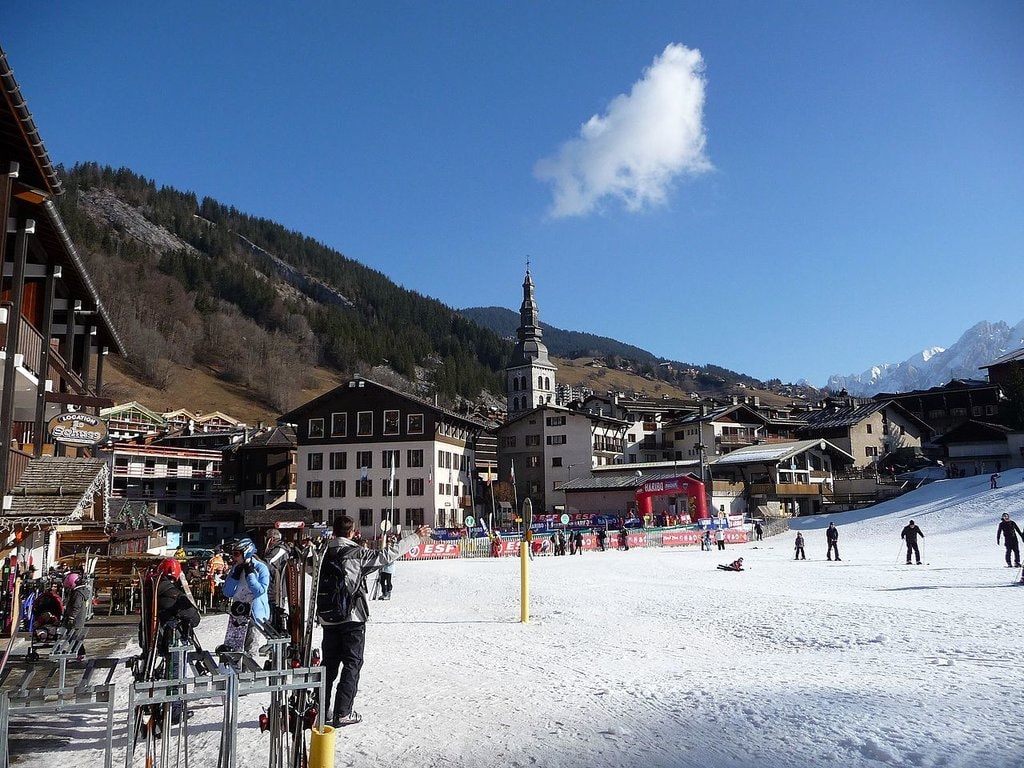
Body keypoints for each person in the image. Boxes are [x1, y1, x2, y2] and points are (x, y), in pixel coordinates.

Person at [318, 515, 431, 728]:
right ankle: (343, 712)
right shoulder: (357, 553)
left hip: (328, 617)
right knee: (352, 663)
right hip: (352, 618)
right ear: (352, 532)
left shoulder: (323, 553)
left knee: (328, 665)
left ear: (334, 532)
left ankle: (321, 710)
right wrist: (414, 537)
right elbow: (385, 555)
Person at [222, 537, 271, 654]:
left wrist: (250, 575)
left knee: (250, 650)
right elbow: (227, 592)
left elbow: (260, 591)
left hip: (255, 615)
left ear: (246, 553)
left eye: (236, 554)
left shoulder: (261, 568)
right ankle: (236, 672)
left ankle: (249, 671)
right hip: (239, 613)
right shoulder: (235, 568)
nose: (233, 557)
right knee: (235, 650)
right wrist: (234, 576)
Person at [264, 529, 291, 632]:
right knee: (272, 616)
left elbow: (267, 563)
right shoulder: (276, 549)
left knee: (275, 616)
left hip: (277, 589)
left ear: (272, 539)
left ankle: (276, 643)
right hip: (273, 587)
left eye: (267, 539)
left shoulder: (279, 549)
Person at [61, 571, 92, 660]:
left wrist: (71, 616)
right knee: (73, 637)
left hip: (76, 619)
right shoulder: (79, 592)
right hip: (78, 619)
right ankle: (77, 653)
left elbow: (76, 606)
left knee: (74, 637)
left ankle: (80, 654)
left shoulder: (78, 593)